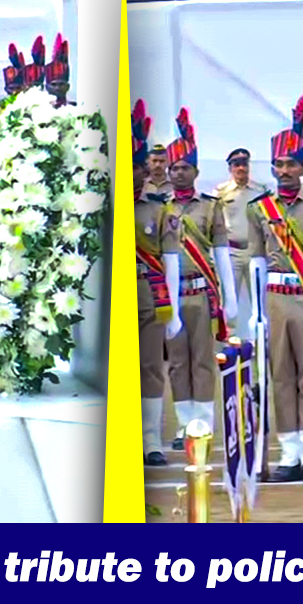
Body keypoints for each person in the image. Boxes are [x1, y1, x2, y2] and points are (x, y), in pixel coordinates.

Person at [246, 94, 303, 483]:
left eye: (291, 164)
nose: (284, 170)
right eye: (279, 164)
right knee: (279, 376)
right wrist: (256, 310)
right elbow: (256, 260)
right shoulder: (258, 208)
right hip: (274, 297)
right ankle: (289, 454)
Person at [163, 108, 237, 450]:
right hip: (171, 296)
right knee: (178, 362)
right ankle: (183, 426)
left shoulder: (210, 206)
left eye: (185, 168)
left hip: (202, 292)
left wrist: (230, 298)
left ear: (196, 170)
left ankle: (203, 423)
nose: (179, 173)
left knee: (203, 360)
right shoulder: (160, 206)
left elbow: (221, 251)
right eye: (174, 168)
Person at [131, 100, 181, 467]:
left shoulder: (158, 207)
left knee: (150, 365)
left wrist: (174, 307)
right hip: (111, 296)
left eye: (138, 168)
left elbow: (170, 258)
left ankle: (150, 439)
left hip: (147, 291)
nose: (133, 174)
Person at [215, 147, 269, 341]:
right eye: (236, 165)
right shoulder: (221, 192)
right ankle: (231, 338)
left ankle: (259, 340)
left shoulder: (260, 190)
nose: (241, 168)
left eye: (244, 164)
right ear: (230, 168)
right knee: (229, 296)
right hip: (232, 251)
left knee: (260, 297)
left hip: (256, 252)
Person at [0, 43, 26, 141]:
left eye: (18, 88)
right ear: (6, 89)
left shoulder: (32, 106)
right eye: (11, 88)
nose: (15, 92)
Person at [44, 33, 74, 107]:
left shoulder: (76, 111)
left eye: (61, 84)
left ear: (68, 86)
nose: (57, 88)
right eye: (53, 85)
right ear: (46, 87)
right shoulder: (35, 111)